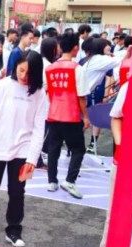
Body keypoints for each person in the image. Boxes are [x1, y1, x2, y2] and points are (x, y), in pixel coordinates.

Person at [0, 51, 48, 247]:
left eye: (28, 73)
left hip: (23, 150)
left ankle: (14, 230)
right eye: (21, 70)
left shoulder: (40, 94)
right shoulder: (3, 86)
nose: (23, 76)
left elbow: (40, 128)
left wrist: (33, 157)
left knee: (17, 192)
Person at [81, 80, 128, 247]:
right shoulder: (131, 87)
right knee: (115, 213)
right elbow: (115, 117)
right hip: (125, 161)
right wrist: (122, 144)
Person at [44, 32, 91, 199]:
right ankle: (70, 181)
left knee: (53, 149)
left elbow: (47, 91)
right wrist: (85, 117)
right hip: (71, 116)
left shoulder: (49, 68)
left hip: (54, 114)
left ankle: (52, 181)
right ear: (75, 48)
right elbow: (81, 97)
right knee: (78, 149)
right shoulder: (77, 69)